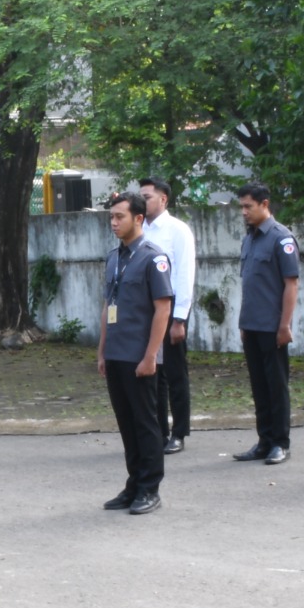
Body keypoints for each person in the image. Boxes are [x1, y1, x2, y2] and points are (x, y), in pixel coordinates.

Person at [97, 191, 174, 515]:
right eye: (111, 217)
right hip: (116, 354)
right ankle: (134, 484)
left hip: (140, 356)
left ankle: (149, 488)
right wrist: (102, 350)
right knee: (126, 423)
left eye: (120, 217)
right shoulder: (115, 258)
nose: (114, 223)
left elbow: (162, 309)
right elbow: (107, 306)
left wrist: (150, 356)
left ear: (138, 219)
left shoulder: (153, 258)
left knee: (146, 424)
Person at [232, 183, 300, 465]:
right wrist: (244, 323)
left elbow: (291, 284)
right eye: (242, 207)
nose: (244, 212)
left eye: (249, 206)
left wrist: (284, 325)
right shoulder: (249, 239)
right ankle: (264, 440)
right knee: (259, 386)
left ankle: (280, 443)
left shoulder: (280, 238)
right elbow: (250, 285)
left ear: (264, 204)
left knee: (276, 385)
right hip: (252, 324)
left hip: (273, 327)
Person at [138, 178, 196, 455]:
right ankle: (158, 430)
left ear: (164, 199)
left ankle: (179, 432)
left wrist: (179, 319)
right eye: (141, 196)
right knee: (153, 373)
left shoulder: (177, 230)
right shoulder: (140, 230)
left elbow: (184, 275)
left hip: (171, 308)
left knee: (175, 374)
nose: (143, 201)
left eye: (147, 196)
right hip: (147, 310)